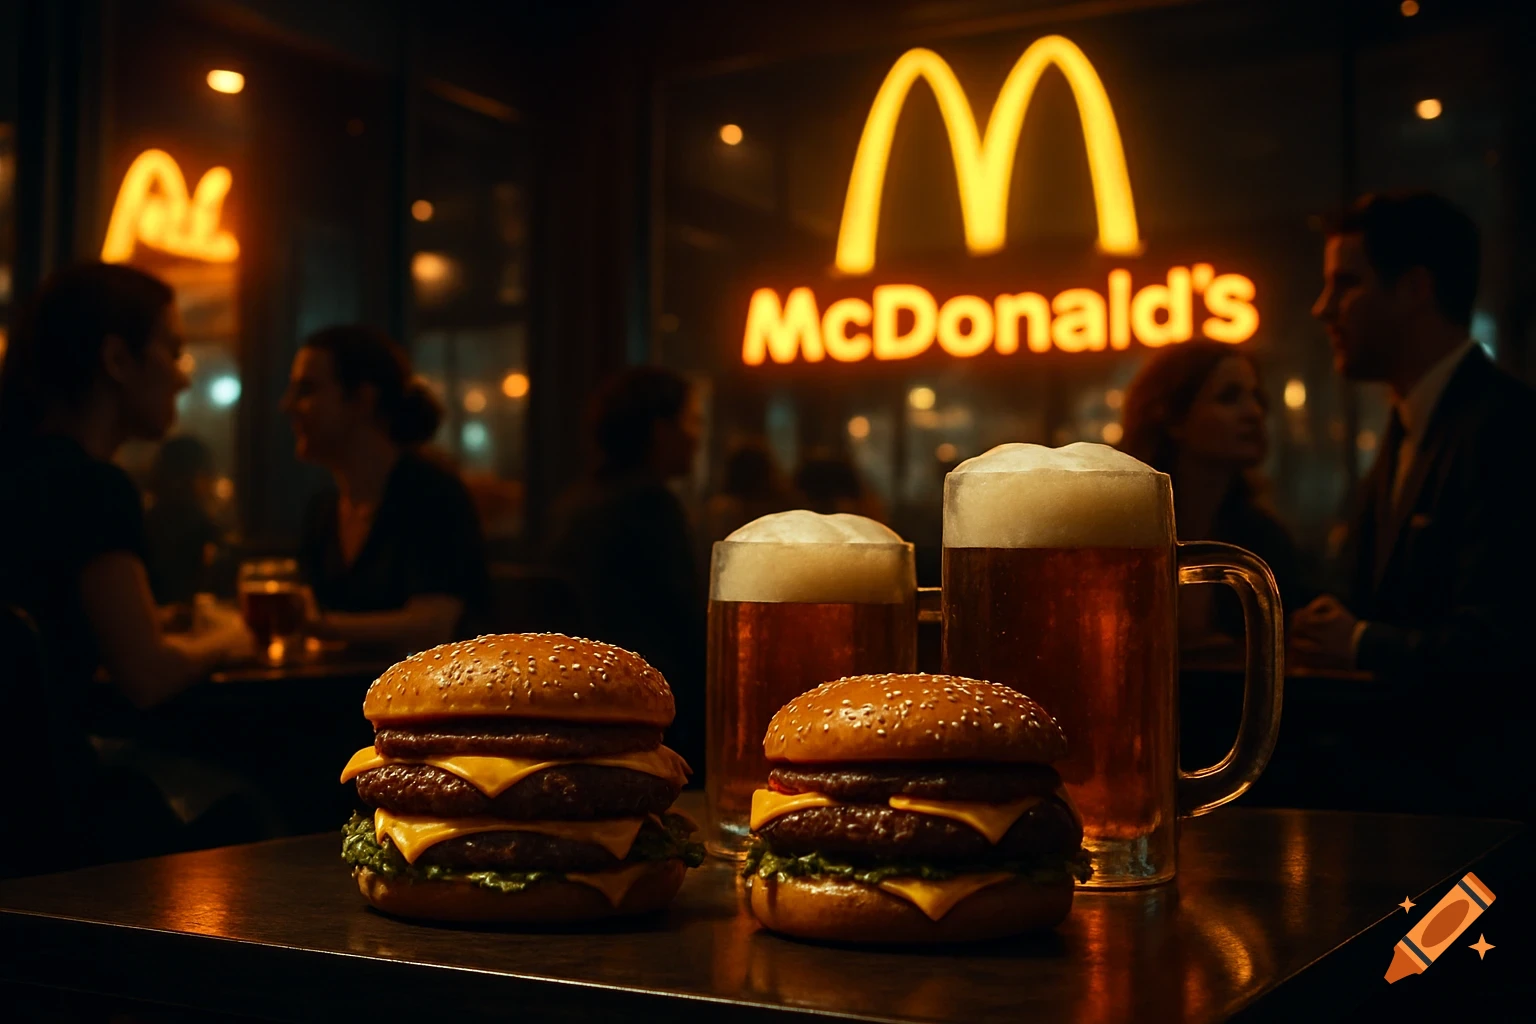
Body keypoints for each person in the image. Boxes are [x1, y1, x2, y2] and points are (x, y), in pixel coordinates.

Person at [0, 263, 254, 872]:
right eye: (172, 350)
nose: (184, 377)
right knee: (255, 811)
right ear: (117, 359)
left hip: (12, 802)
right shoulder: (91, 487)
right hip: (50, 816)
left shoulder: (19, 472)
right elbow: (146, 673)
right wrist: (230, 637)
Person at [1297, 191, 1536, 817]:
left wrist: (1358, 641)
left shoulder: (1506, 429)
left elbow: (1506, 644)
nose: (1323, 309)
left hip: (1477, 818)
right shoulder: (1414, 422)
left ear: (1414, 289)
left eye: (1345, 284)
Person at [285, 326, 489, 651]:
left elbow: (434, 625)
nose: (289, 406)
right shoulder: (322, 510)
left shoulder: (432, 496)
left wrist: (323, 627)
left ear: (363, 399)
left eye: (306, 390)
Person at [547, 366, 705, 773]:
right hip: (652, 722)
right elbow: (686, 625)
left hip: (576, 705)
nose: (697, 436)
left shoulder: (575, 503)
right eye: (691, 420)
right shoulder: (651, 505)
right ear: (660, 429)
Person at [1120, 340, 1312, 648]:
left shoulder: (1264, 541)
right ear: (1172, 418)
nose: (1254, 412)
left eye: (1257, 397)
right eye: (1228, 397)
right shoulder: (1123, 535)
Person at [143, 434, 227, 606]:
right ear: (195, 477)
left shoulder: (144, 521)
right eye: (207, 474)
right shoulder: (199, 525)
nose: (211, 482)